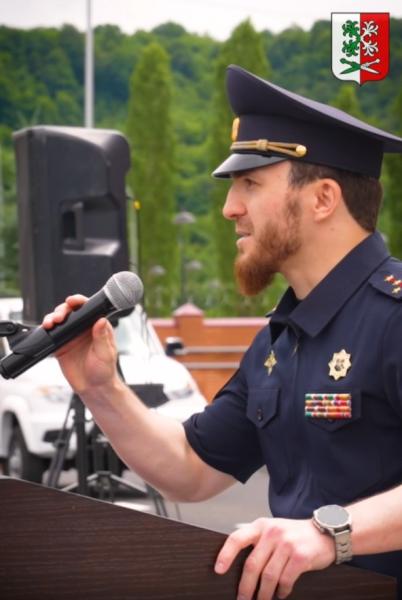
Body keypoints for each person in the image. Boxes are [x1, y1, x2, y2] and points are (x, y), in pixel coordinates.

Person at [44, 65, 402, 600]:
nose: (230, 208)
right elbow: (191, 467)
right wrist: (101, 387)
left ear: (323, 198)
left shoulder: (394, 316)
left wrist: (330, 533)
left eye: (251, 184)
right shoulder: (279, 341)